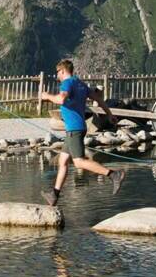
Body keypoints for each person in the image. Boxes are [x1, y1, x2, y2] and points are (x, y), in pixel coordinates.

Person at [40, 58, 111, 202]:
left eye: (58, 73)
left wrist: (47, 96)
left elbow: (61, 99)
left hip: (74, 128)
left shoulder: (68, 83)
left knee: (78, 162)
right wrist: (109, 114)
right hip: (78, 127)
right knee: (63, 161)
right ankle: (54, 195)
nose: (57, 76)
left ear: (63, 71)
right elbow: (98, 98)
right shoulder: (80, 83)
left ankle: (113, 174)